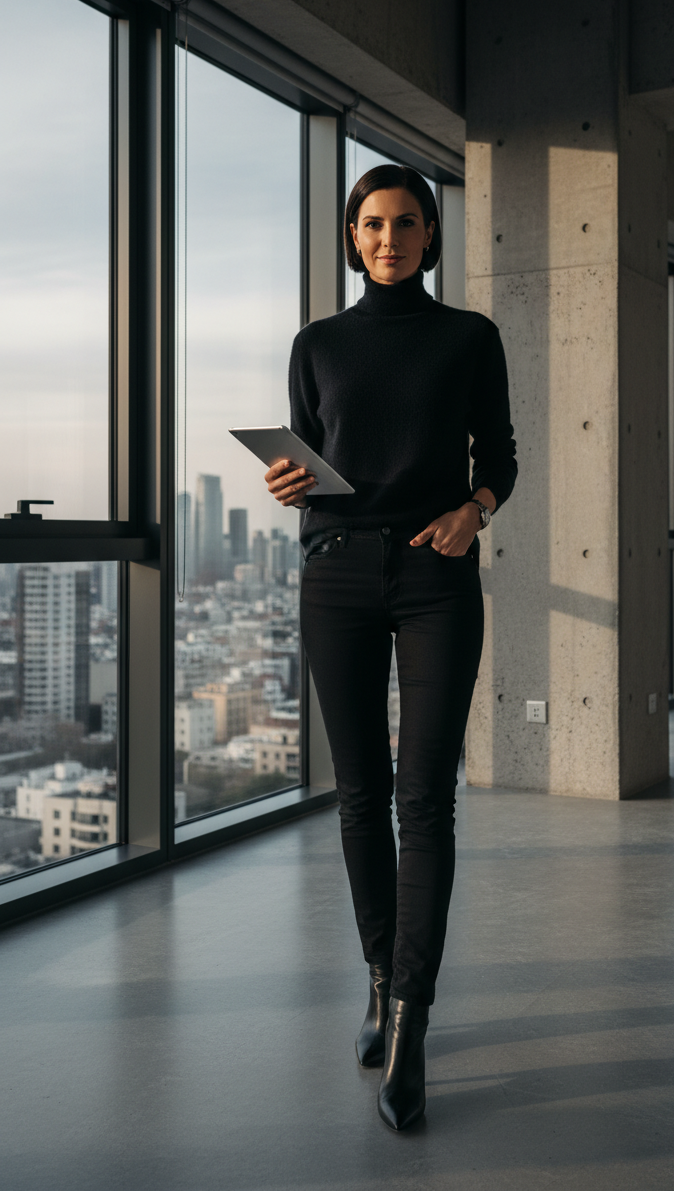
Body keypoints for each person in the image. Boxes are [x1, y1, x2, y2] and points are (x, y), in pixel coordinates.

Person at [264, 163, 517, 1131]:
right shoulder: (315, 344)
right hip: (335, 575)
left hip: (435, 575)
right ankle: (378, 977)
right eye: (372, 223)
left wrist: (476, 510)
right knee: (361, 794)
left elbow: (497, 458)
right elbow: (311, 465)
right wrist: (294, 488)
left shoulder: (469, 339)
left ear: (429, 235)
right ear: (351, 233)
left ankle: (411, 1022)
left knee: (426, 800)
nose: (388, 237)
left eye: (406, 222)